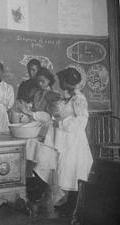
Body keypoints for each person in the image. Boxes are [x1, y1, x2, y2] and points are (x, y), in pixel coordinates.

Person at [49, 68, 92, 206]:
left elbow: (81, 121)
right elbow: (64, 114)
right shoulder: (68, 97)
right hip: (65, 139)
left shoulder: (79, 99)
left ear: (68, 82)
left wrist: (61, 123)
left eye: (62, 80)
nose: (60, 83)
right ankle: (69, 201)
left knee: (73, 168)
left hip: (74, 140)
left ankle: (75, 204)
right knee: (65, 169)